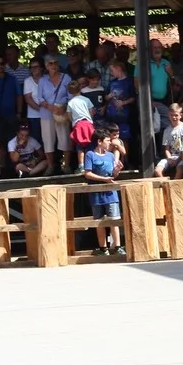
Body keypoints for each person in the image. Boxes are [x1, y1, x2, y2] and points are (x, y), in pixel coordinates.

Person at [84, 128, 123, 256]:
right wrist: (103, 179)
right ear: (99, 142)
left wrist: (117, 170)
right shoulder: (90, 155)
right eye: (107, 140)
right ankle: (103, 248)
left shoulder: (110, 155)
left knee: (114, 219)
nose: (110, 143)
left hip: (110, 193)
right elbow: (88, 173)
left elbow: (113, 175)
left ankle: (117, 247)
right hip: (96, 193)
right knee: (99, 221)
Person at [66, 80, 95, 173]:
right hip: (88, 124)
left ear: (70, 91)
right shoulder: (86, 100)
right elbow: (91, 111)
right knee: (90, 145)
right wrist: (90, 120)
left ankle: (81, 166)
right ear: (80, 88)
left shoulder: (70, 102)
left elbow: (69, 116)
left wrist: (73, 122)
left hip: (78, 125)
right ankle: (90, 165)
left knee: (80, 147)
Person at [155, 103, 183, 178]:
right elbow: (167, 148)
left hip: (182, 156)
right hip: (171, 156)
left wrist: (177, 160)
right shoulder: (167, 130)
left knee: (180, 169)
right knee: (157, 170)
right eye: (172, 115)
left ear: (180, 115)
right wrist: (169, 159)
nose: (174, 117)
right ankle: (165, 183)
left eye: (176, 115)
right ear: (168, 115)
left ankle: (175, 183)